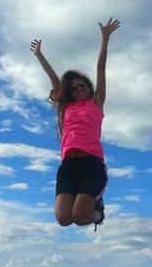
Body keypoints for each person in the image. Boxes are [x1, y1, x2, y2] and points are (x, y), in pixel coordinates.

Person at [30, 18, 120, 231]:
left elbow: (101, 67)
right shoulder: (65, 108)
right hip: (68, 165)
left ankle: (97, 209)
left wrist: (105, 38)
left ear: (88, 87)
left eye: (82, 86)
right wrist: (39, 56)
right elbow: (54, 79)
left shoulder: (96, 102)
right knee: (63, 219)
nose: (79, 89)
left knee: (81, 218)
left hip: (92, 163)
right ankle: (90, 206)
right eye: (75, 88)